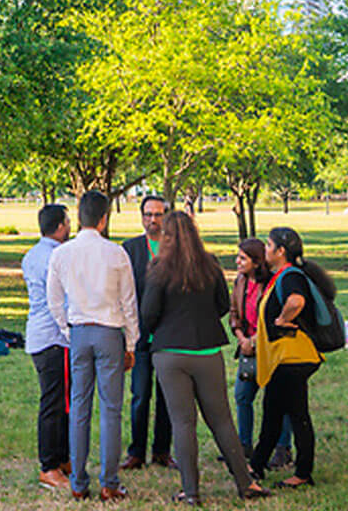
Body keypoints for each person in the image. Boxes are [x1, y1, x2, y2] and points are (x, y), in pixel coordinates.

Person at [141, 211, 269, 505]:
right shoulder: (210, 263)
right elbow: (223, 305)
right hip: (207, 350)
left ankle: (191, 491)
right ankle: (246, 483)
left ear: (167, 236)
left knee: (183, 423)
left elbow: (148, 313)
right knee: (222, 419)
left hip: (170, 352)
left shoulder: (159, 267)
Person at [47, 190, 139, 502]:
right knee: (111, 409)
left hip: (79, 332)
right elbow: (129, 303)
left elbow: (54, 300)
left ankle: (78, 481)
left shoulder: (62, 253)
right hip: (109, 332)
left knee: (79, 408)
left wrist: (67, 329)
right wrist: (131, 342)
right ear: (104, 219)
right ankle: (109, 482)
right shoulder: (116, 253)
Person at [250, 227, 329, 490]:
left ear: (281, 251)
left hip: (293, 358)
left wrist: (283, 319)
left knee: (297, 416)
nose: (265, 249)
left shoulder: (290, 276)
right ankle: (257, 465)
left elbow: (296, 301)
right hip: (284, 359)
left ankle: (303, 473)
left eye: (268, 245)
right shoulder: (281, 276)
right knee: (273, 413)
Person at [121, 195, 173, 471]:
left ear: (166, 216)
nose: (153, 219)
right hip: (140, 336)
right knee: (140, 396)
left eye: (158, 214)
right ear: (141, 217)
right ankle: (136, 453)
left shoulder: (175, 248)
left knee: (167, 397)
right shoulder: (130, 249)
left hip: (169, 336)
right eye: (148, 214)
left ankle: (162, 451)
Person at [22, 203, 72, 490]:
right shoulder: (57, 257)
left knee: (62, 401)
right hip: (54, 337)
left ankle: (63, 458)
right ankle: (49, 466)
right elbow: (62, 300)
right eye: (68, 222)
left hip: (40, 335)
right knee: (54, 403)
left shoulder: (32, 254)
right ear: (61, 226)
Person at [229, 238, 292, 465]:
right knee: (242, 396)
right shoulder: (240, 281)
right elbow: (234, 313)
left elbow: (275, 319)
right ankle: (244, 445)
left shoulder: (272, 284)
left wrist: (254, 340)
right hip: (247, 349)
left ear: (256, 262)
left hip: (270, 348)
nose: (237, 262)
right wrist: (242, 339)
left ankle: (283, 449)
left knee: (277, 399)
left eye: (242, 258)